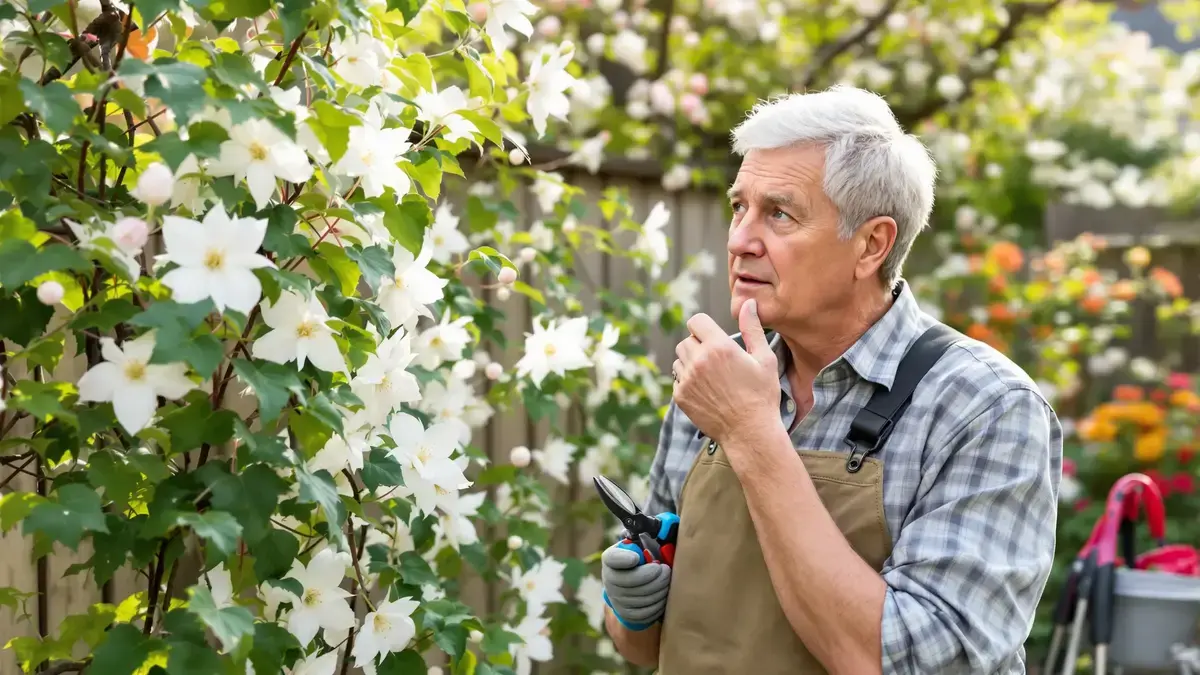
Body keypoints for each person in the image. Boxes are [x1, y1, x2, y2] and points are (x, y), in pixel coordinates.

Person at [599, 85, 1063, 674]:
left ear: (871, 245)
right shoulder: (717, 376)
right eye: (739, 207)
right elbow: (644, 647)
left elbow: (903, 663)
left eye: (780, 213)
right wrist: (632, 609)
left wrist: (751, 434)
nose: (739, 240)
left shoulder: (984, 408)